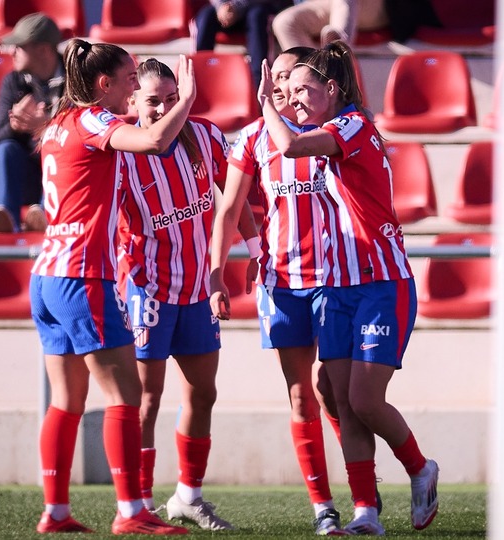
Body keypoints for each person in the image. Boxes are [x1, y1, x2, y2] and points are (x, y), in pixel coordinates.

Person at [254, 41, 439, 535]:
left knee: (363, 400)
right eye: (286, 92)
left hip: (381, 283)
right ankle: (366, 513)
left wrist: (266, 106)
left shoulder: (351, 125)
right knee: (337, 396)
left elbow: (289, 145)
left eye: (302, 91)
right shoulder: (326, 129)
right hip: (338, 288)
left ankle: (420, 468)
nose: (292, 100)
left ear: (332, 90)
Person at [30, 38, 197, 536]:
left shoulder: (58, 125)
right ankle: (131, 511)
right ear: (103, 84)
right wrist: (185, 99)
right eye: (128, 79)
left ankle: (56, 512)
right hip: (83, 275)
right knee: (126, 394)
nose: (134, 88)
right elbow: (153, 141)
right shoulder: (92, 120)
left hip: (47, 276)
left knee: (66, 400)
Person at [209, 46, 349, 536]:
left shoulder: (332, 133)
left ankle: (365, 497)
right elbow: (229, 207)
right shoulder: (251, 138)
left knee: (336, 393)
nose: (285, 87)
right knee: (299, 395)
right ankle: (324, 507)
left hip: (336, 280)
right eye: (278, 77)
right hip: (282, 280)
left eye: (293, 77)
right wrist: (218, 270)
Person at [117, 58, 259, 531]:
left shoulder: (206, 136)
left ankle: (188, 497)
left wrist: (256, 248)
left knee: (203, 393)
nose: (163, 107)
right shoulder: (120, 150)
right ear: (132, 101)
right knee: (145, 400)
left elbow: (234, 198)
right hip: (146, 289)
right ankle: (137, 503)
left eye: (171, 97)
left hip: (197, 288)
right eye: (153, 99)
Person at [0, 12, 65, 234]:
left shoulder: (75, 79)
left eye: (19, 46)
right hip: (27, 176)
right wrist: (15, 124)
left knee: (58, 148)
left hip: (62, 175)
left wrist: (47, 127)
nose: (12, 52)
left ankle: (43, 214)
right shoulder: (13, 81)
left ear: (43, 50)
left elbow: (83, 134)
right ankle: (4, 217)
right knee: (6, 148)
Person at [193, 0, 290, 86]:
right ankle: (200, 78)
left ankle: (259, 83)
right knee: (206, 16)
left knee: (257, 16)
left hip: (260, 6)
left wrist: (236, 6)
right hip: (228, 10)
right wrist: (222, 7)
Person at [272, 0, 389, 50]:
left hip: (376, 7)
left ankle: (338, 47)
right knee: (284, 22)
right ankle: (314, 75)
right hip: (327, 4)